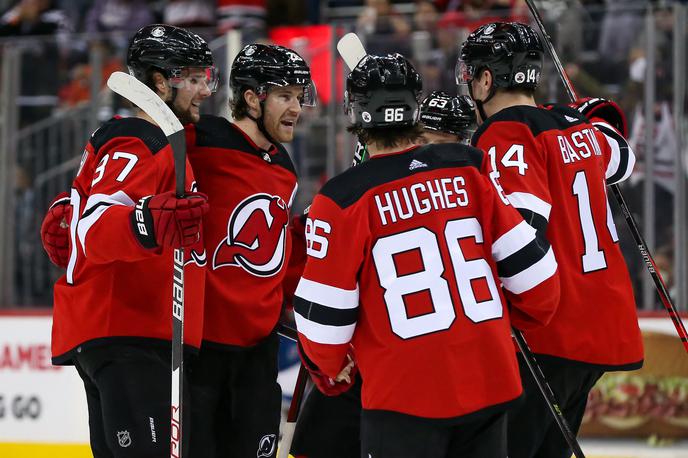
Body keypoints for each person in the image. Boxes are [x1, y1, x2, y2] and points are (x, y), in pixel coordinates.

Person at [293, 52, 560, 458]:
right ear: (415, 107)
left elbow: (324, 325)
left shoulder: (343, 197)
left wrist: (331, 369)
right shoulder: (471, 168)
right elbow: (538, 282)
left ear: (355, 110)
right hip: (490, 381)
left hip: (404, 397)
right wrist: (499, 325)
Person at [457, 21, 643, 458]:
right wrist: (598, 114)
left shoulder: (505, 134)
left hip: (552, 331)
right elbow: (622, 158)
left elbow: (522, 235)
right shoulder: (577, 127)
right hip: (602, 325)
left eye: (472, 75)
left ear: (486, 80)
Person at [49, 24, 215, 458]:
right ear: (160, 81)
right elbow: (93, 228)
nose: (204, 90)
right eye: (193, 78)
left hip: (133, 335)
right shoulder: (138, 141)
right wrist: (146, 222)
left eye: (206, 78)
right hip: (127, 332)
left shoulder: (162, 144)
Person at [289, 89, 479, 458]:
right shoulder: (360, 194)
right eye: (426, 142)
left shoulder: (468, 191)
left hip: (418, 377)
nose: (431, 155)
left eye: (446, 146)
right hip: (364, 367)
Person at [182, 43, 315, 458]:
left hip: (258, 352)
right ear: (253, 98)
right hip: (200, 351)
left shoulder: (284, 166)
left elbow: (276, 257)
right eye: (285, 96)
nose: (296, 108)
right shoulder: (198, 140)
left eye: (299, 97)